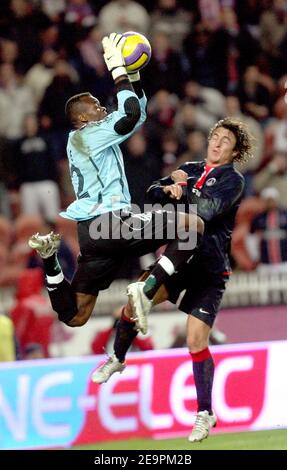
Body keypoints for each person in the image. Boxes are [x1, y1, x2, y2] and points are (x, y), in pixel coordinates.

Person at [28, 34, 204, 351]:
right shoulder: (86, 135)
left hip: (94, 235)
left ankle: (50, 261)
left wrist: (132, 76)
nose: (101, 108)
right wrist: (117, 69)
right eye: (95, 106)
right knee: (193, 226)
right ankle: (147, 287)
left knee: (75, 315)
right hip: (112, 222)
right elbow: (130, 115)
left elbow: (136, 113)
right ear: (82, 117)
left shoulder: (87, 138)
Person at [93, 117, 253, 443]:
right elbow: (152, 192)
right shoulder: (190, 168)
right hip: (178, 265)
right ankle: (118, 358)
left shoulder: (232, 181)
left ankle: (205, 413)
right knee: (133, 305)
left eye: (226, 141)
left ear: (235, 152)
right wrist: (168, 188)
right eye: (216, 137)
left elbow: (206, 213)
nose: (218, 143)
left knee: (196, 341)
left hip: (208, 272)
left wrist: (184, 191)